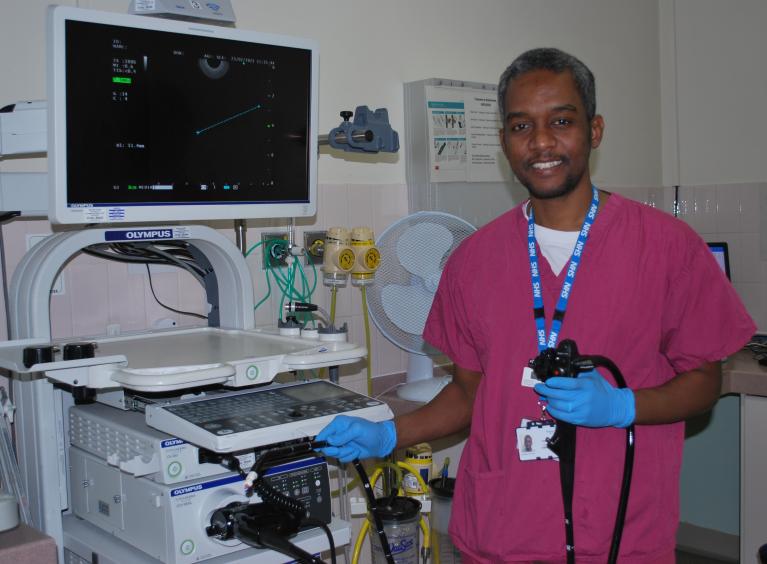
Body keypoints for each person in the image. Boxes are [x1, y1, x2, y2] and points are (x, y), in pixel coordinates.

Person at [317, 47, 755, 563]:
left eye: (561, 121)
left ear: (594, 131)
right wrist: (388, 433)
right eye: (522, 126)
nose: (542, 142)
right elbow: (468, 392)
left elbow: (706, 380)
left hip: (619, 535)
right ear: (504, 142)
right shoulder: (474, 261)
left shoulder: (667, 248)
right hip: (502, 535)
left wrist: (623, 406)